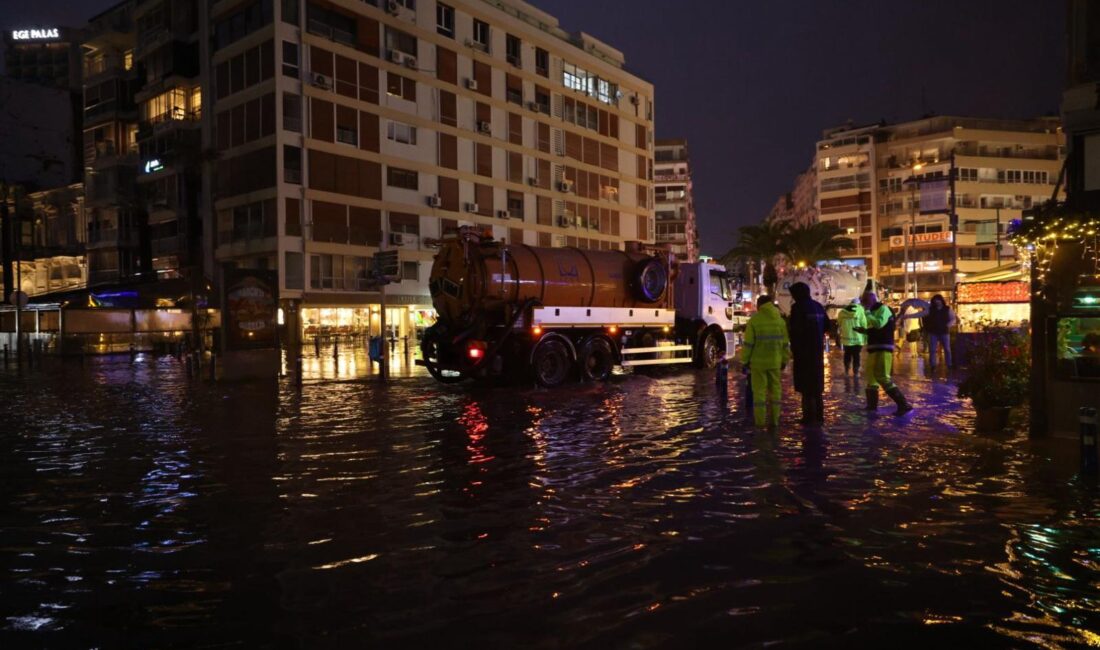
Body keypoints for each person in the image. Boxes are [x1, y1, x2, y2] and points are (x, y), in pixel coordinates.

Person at [857, 291, 913, 416]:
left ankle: (904, 404)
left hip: (883, 348)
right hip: (873, 347)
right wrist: (865, 331)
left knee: (882, 376)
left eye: (864, 302)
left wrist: (867, 312)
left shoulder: (883, 309)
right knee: (871, 378)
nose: (863, 305)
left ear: (871, 300)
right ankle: (871, 407)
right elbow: (877, 329)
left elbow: (878, 324)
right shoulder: (874, 311)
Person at [740, 294, 790, 431]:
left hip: (758, 364)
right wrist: (785, 360)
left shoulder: (754, 321)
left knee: (759, 394)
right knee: (775, 392)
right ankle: (774, 422)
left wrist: (744, 361)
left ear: (759, 305)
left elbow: (748, 344)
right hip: (775, 363)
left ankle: (760, 423)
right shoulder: (780, 321)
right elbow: (785, 344)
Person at [787, 282, 829, 425]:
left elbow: (795, 331)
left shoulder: (798, 308)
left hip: (803, 353)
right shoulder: (818, 307)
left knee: (806, 388)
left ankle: (809, 418)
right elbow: (827, 326)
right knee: (816, 388)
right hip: (817, 352)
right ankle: (819, 417)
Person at [921, 294, 956, 374]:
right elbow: (923, 316)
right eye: (935, 300)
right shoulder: (931, 310)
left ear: (941, 300)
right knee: (933, 350)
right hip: (934, 332)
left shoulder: (947, 309)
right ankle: (933, 365)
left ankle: (949, 364)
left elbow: (953, 318)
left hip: (944, 331)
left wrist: (948, 325)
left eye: (938, 300)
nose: (937, 302)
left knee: (947, 349)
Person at [836, 297, 867, 376]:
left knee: (847, 354)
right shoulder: (860, 310)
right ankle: (856, 372)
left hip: (846, 338)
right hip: (858, 338)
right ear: (858, 304)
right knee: (856, 355)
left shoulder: (842, 311)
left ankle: (846, 371)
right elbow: (864, 324)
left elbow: (839, 323)